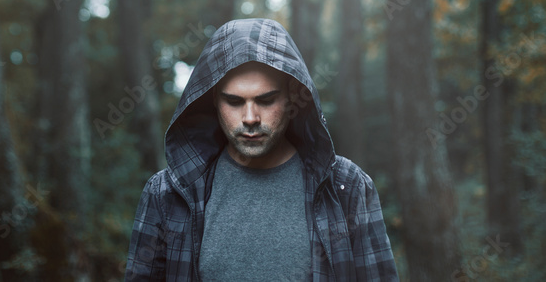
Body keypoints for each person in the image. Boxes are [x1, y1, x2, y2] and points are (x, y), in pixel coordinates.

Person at [124, 18, 399, 281]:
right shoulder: (167, 196)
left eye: (266, 100)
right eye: (234, 101)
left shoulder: (347, 188)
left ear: (292, 94)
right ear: (213, 101)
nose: (250, 118)